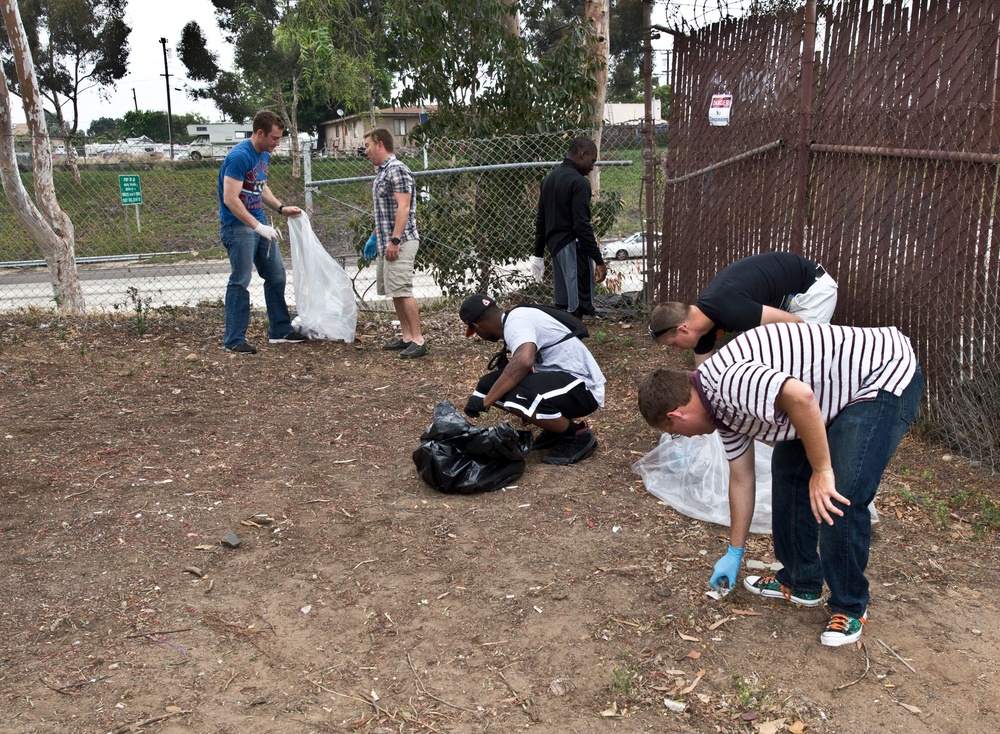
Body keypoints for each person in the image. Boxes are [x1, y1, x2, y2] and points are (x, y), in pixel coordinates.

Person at [637, 322, 922, 646]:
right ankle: (801, 581)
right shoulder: (719, 411)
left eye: (674, 432)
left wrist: (823, 471)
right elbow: (742, 480)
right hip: (831, 393)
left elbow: (801, 397)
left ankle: (850, 605)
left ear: (676, 416)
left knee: (840, 493)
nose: (681, 438)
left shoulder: (729, 382)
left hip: (879, 376)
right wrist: (735, 551)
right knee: (787, 470)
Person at [459, 294, 605, 465]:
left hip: (584, 387)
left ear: (477, 326)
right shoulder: (514, 319)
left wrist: (486, 401)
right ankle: (555, 429)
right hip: (563, 382)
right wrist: (483, 396)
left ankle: (578, 435)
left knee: (519, 397)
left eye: (474, 332)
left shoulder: (516, 322)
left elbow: (523, 361)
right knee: (487, 386)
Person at [219, 109, 307, 354]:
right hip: (238, 227)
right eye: (275, 138)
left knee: (277, 275)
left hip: (259, 225)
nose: (277, 143)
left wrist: (280, 208)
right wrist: (257, 226)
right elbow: (230, 198)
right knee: (240, 281)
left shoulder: (263, 156)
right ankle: (234, 339)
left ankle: (279, 330)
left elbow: (260, 186)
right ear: (260, 133)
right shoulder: (240, 157)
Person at [649, 252, 838, 364]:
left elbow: (798, 324)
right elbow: (702, 378)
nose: (675, 350)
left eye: (673, 344)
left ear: (683, 329)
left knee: (804, 352)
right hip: (788, 300)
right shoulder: (704, 325)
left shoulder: (731, 308)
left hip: (812, 291)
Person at [364, 128, 428, 359]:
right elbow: (384, 212)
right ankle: (407, 337)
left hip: (401, 241)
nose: (365, 151)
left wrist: (395, 240)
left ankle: (419, 340)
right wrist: (375, 237)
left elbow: (404, 207)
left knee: (402, 289)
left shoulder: (397, 170)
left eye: (367, 146)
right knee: (394, 290)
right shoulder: (382, 172)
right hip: (386, 242)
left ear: (380, 145)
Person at [533, 137, 608, 318]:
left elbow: (541, 219)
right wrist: (598, 260)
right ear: (582, 154)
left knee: (563, 304)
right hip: (572, 247)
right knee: (577, 306)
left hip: (555, 248)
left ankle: (564, 342)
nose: (592, 166)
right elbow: (582, 226)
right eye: (592, 160)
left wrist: (538, 255)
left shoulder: (549, 179)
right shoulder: (579, 183)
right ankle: (574, 343)